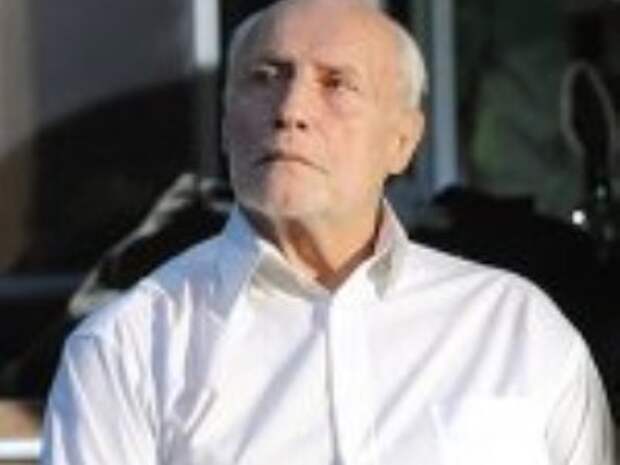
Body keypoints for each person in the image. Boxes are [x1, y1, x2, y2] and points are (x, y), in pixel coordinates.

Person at [41, 0, 615, 464]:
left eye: (336, 83)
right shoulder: (129, 349)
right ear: (226, 125)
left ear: (402, 141)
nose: (291, 109)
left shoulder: (515, 328)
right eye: (265, 78)